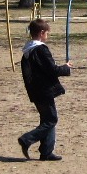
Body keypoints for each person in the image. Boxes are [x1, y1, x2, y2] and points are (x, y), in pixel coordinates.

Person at [17, 19, 72, 161]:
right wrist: (65, 68)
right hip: (43, 90)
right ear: (42, 33)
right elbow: (52, 70)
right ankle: (27, 139)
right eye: (47, 33)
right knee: (51, 119)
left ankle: (46, 152)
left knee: (47, 119)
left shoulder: (27, 51)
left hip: (35, 90)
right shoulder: (40, 49)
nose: (48, 35)